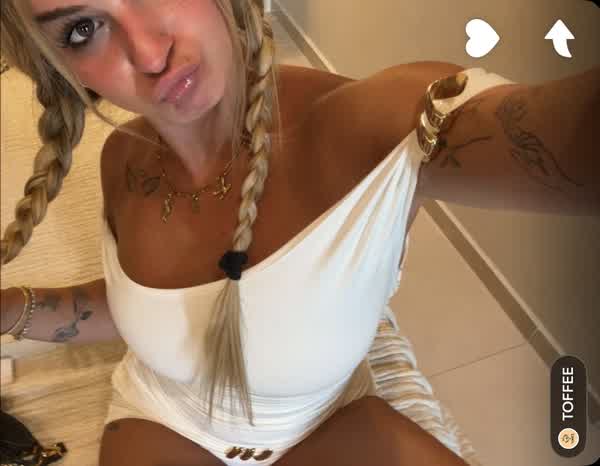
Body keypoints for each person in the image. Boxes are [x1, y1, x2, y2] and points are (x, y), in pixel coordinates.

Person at [1, 1, 598, 465]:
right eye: (82, 29)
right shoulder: (123, 159)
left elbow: (563, 140)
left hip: (330, 424)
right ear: (58, 68)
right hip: (163, 420)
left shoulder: (366, 128)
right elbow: (150, 307)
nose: (152, 53)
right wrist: (12, 309)